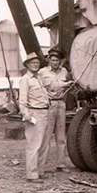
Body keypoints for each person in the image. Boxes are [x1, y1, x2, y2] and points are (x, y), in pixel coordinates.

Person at [38, 47, 74, 175]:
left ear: (61, 61)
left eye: (57, 60)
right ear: (49, 60)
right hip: (49, 105)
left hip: (61, 104)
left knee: (61, 137)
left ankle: (61, 164)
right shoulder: (42, 72)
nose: (55, 63)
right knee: (46, 136)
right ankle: (40, 166)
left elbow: (71, 84)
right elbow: (49, 86)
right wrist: (65, 84)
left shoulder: (64, 71)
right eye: (53, 60)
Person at [19, 52, 49, 183]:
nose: (35, 64)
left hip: (44, 112)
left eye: (37, 63)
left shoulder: (39, 78)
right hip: (34, 113)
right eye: (33, 63)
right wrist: (25, 114)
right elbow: (22, 100)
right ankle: (31, 174)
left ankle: (40, 171)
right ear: (27, 65)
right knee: (34, 145)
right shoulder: (25, 79)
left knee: (44, 145)